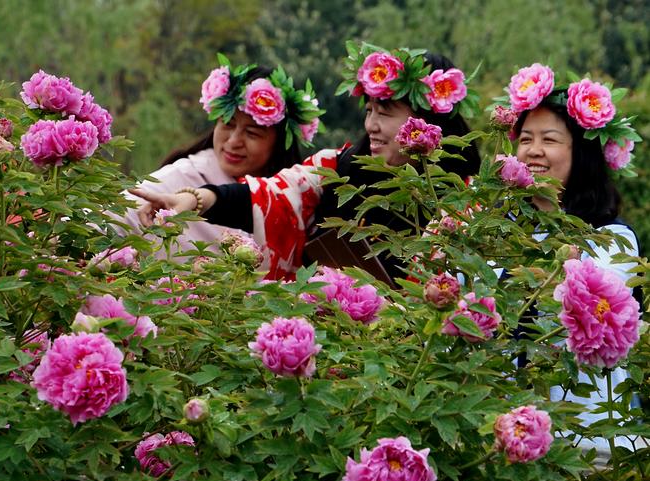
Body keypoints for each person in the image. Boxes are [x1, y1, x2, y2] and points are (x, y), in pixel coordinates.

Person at [133, 43, 481, 281]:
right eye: (369, 111)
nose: (370, 125)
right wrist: (196, 199)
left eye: (385, 113)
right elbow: (270, 197)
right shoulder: (338, 168)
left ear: (428, 120)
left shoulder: (468, 202)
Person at [504, 63, 643, 459]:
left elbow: (581, 308)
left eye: (550, 139)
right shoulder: (495, 231)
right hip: (507, 437)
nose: (533, 150)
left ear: (580, 154)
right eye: (525, 138)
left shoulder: (613, 239)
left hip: (589, 443)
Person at [116, 59, 323, 257]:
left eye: (252, 133)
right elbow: (112, 219)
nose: (234, 141)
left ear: (279, 145)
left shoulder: (295, 198)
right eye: (228, 124)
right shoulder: (183, 176)